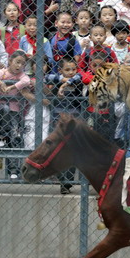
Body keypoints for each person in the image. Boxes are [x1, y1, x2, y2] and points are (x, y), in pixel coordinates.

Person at [0, 50, 30, 180]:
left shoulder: (21, 75)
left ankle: (13, 170)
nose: (19, 66)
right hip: (1, 109)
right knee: (4, 108)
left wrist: (11, 87)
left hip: (15, 111)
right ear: (10, 61)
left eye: (22, 63)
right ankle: (1, 135)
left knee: (14, 138)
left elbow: (26, 81)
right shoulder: (1, 73)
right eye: (17, 62)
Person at [45, 57, 83, 194]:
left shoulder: (77, 80)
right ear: (60, 70)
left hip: (74, 119)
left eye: (73, 69)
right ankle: (62, 180)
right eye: (67, 70)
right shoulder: (56, 79)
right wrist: (62, 80)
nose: (71, 72)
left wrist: (70, 82)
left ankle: (69, 181)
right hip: (58, 119)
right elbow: (45, 77)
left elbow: (80, 77)